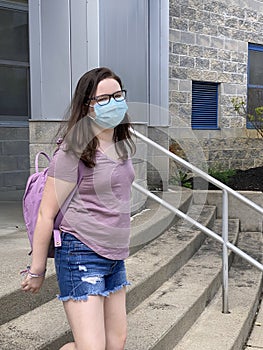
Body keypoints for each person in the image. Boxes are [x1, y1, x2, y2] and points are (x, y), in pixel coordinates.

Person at [21, 67, 136, 350]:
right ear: (88, 106)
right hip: (80, 253)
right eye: (104, 98)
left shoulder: (121, 143)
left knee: (116, 342)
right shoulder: (74, 150)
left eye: (118, 95)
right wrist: (37, 270)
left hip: (114, 255)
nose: (114, 102)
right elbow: (46, 213)